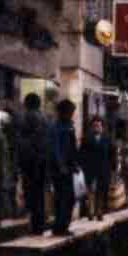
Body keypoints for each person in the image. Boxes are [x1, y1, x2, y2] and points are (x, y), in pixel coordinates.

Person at [16, 92, 49, 235]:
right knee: (39, 195)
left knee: (31, 194)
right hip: (42, 161)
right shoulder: (44, 118)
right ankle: (39, 225)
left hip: (30, 162)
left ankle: (34, 226)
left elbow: (23, 141)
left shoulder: (28, 117)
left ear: (27, 104)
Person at [49, 99, 78, 236]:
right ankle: (59, 226)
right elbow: (55, 148)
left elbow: (72, 147)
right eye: (71, 111)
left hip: (68, 167)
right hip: (60, 169)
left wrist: (75, 164)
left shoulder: (69, 126)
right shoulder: (57, 127)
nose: (72, 114)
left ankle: (63, 225)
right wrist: (60, 165)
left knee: (70, 198)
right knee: (62, 198)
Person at [79, 115, 115, 221]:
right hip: (90, 168)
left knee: (101, 190)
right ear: (92, 127)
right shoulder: (86, 138)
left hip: (103, 168)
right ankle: (90, 211)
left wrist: (112, 168)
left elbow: (112, 154)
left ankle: (99, 211)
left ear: (102, 127)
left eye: (98, 126)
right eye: (94, 126)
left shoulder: (107, 139)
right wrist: (82, 166)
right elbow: (82, 153)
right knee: (90, 190)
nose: (96, 128)